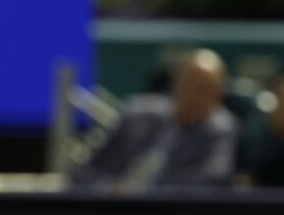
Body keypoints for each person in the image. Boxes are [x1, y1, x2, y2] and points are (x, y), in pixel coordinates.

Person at [72, 49, 238, 190]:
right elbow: (87, 171)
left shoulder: (222, 129)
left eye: (203, 89)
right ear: (176, 83)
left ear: (218, 95)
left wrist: (148, 188)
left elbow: (215, 178)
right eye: (190, 84)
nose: (194, 95)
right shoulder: (136, 114)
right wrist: (110, 189)